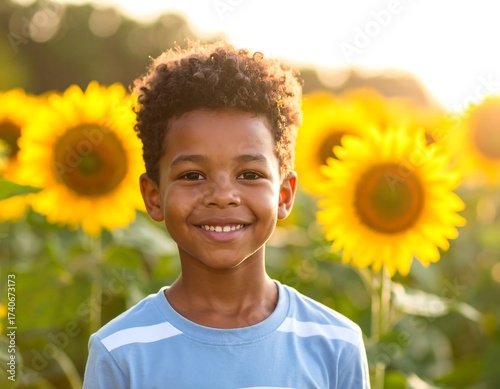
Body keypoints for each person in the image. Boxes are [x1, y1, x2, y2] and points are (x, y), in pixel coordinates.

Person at [83, 40, 370, 388]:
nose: (222, 196)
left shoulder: (335, 344)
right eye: (192, 175)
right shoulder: (121, 351)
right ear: (154, 196)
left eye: (249, 174)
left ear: (284, 194)